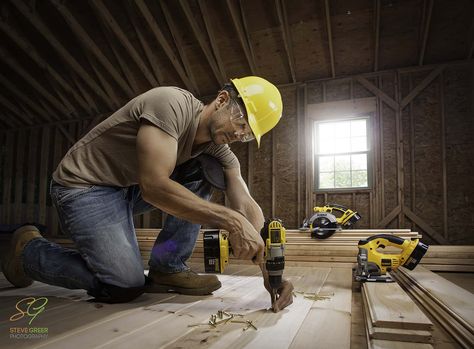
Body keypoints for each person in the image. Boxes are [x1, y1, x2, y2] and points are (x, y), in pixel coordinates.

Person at [2, 76, 294, 312]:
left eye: (246, 134)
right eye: (240, 122)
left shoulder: (218, 149)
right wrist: (230, 221)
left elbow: (244, 202)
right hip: (83, 187)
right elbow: (154, 187)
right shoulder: (170, 103)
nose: (238, 134)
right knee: (124, 286)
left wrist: (270, 269)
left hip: (124, 189)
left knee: (208, 169)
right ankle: (28, 251)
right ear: (222, 100)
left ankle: (167, 267)